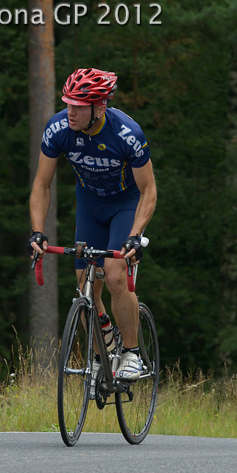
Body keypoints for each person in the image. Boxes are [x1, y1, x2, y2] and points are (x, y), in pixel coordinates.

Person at [29, 68, 158, 383]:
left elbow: (149, 191)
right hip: (89, 206)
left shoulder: (127, 133)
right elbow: (42, 185)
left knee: (114, 276)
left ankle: (132, 352)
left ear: (99, 106)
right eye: (68, 103)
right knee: (85, 288)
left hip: (125, 205)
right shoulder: (58, 129)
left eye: (79, 105)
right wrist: (37, 230)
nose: (70, 111)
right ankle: (103, 353)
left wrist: (134, 236)